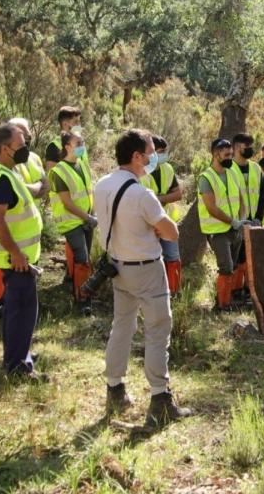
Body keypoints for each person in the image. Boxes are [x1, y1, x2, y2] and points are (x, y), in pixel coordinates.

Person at [94, 129, 191, 428]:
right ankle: (161, 399)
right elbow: (172, 232)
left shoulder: (102, 185)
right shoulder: (141, 194)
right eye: (150, 153)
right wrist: (156, 226)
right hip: (146, 268)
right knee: (158, 329)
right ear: (136, 157)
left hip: (118, 266)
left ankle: (115, 389)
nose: (154, 158)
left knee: (122, 325)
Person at [0, 123, 45, 380]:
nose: (25, 149)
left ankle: (18, 354)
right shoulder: (2, 178)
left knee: (15, 311)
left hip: (18, 258)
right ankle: (19, 367)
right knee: (22, 311)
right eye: (21, 145)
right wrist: (16, 253)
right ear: (5, 149)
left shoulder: (9, 173)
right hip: (16, 260)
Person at [49, 131, 96, 315]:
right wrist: (88, 217)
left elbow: (88, 193)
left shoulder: (82, 165)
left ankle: (84, 291)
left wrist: (92, 214)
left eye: (83, 142)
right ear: (67, 146)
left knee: (84, 261)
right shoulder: (58, 171)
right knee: (82, 259)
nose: (82, 146)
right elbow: (67, 203)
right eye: (78, 143)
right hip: (72, 223)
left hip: (86, 219)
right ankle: (82, 299)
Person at [197, 138, 247, 311]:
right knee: (226, 267)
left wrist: (241, 218)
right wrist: (232, 221)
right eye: (227, 155)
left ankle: (227, 300)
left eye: (232, 155)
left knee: (232, 267)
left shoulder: (232, 172)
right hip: (217, 231)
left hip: (235, 229)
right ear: (215, 154)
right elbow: (211, 207)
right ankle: (222, 306)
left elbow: (240, 198)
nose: (230, 158)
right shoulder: (206, 178)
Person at [44, 106, 88, 285]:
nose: (79, 125)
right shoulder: (54, 146)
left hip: (83, 207)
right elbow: (53, 175)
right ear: (65, 123)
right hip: (67, 207)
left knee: (80, 249)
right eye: (76, 122)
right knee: (77, 248)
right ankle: (75, 282)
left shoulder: (80, 145)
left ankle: (73, 277)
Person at [139, 135, 183, 296]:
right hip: (147, 225)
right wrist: (161, 199)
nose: (164, 154)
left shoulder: (167, 169)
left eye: (165, 151)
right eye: (161, 151)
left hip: (166, 221)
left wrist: (159, 199)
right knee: (150, 261)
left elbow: (178, 194)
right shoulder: (140, 172)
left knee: (173, 257)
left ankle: (175, 293)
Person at [228, 133, 264, 301]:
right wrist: (235, 221)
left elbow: (262, 195)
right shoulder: (228, 169)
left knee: (253, 259)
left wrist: (259, 218)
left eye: (251, 146)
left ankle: (249, 292)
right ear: (236, 148)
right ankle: (234, 293)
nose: (250, 149)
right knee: (237, 259)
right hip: (235, 224)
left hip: (254, 223)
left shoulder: (256, 168)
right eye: (246, 146)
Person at [7, 117, 47, 199]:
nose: (25, 140)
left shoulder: (35, 157)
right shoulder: (7, 160)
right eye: (22, 135)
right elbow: (18, 190)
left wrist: (34, 189)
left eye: (28, 136)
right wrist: (39, 185)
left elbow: (46, 186)